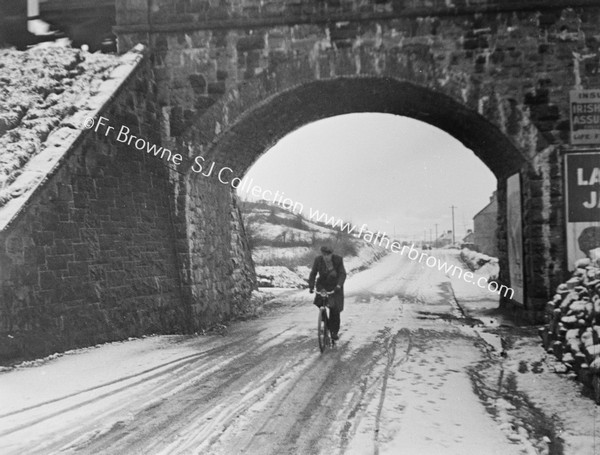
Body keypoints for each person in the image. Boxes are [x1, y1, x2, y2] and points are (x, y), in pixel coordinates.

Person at [308, 245, 346, 340]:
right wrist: (311, 285)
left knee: (335, 309)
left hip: (335, 286)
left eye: (328, 255)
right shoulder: (318, 260)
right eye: (324, 255)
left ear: (331, 254)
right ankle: (326, 322)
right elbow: (313, 273)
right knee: (319, 302)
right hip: (323, 285)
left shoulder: (338, 260)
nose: (326, 257)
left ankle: (334, 332)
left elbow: (342, 274)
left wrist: (339, 285)